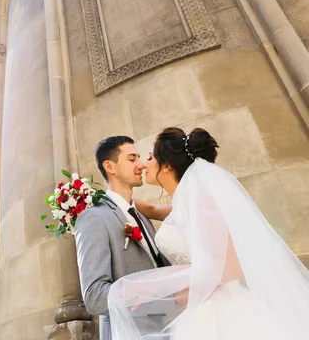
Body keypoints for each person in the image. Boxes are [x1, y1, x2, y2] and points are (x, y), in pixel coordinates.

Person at [108, 127, 309, 339]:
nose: (143, 164)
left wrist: (160, 284)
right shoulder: (183, 202)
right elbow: (150, 209)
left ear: (166, 166)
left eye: (149, 157)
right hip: (203, 306)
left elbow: (233, 265)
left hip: (225, 311)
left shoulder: (200, 199)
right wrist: (101, 195)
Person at [74, 136, 170, 340]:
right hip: (129, 333)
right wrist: (139, 289)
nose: (141, 164)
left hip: (166, 329)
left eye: (140, 158)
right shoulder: (93, 218)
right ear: (110, 166)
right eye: (132, 158)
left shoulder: (142, 216)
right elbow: (94, 296)